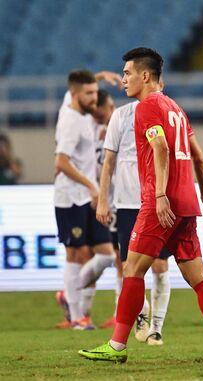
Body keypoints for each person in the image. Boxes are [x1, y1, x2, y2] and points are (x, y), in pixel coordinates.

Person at [79, 47, 203, 363]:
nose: (123, 80)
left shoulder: (147, 107)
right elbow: (199, 156)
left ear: (145, 76)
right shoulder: (176, 108)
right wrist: (202, 190)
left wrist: (160, 195)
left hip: (161, 203)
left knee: (132, 270)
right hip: (186, 202)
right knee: (198, 276)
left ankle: (117, 346)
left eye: (128, 73)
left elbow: (159, 148)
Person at [97, 92, 172, 345]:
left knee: (160, 266)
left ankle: (157, 328)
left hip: (155, 202)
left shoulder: (167, 112)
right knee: (130, 268)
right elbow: (109, 161)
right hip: (127, 204)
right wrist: (103, 199)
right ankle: (141, 314)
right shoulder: (121, 115)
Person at [54, 70, 116, 330]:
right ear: (77, 95)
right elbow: (61, 161)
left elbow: (78, 84)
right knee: (76, 254)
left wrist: (99, 76)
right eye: (89, 93)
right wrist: (92, 186)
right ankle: (79, 317)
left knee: (105, 254)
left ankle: (69, 296)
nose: (95, 97)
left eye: (95, 92)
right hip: (71, 197)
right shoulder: (70, 122)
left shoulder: (76, 107)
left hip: (88, 197)